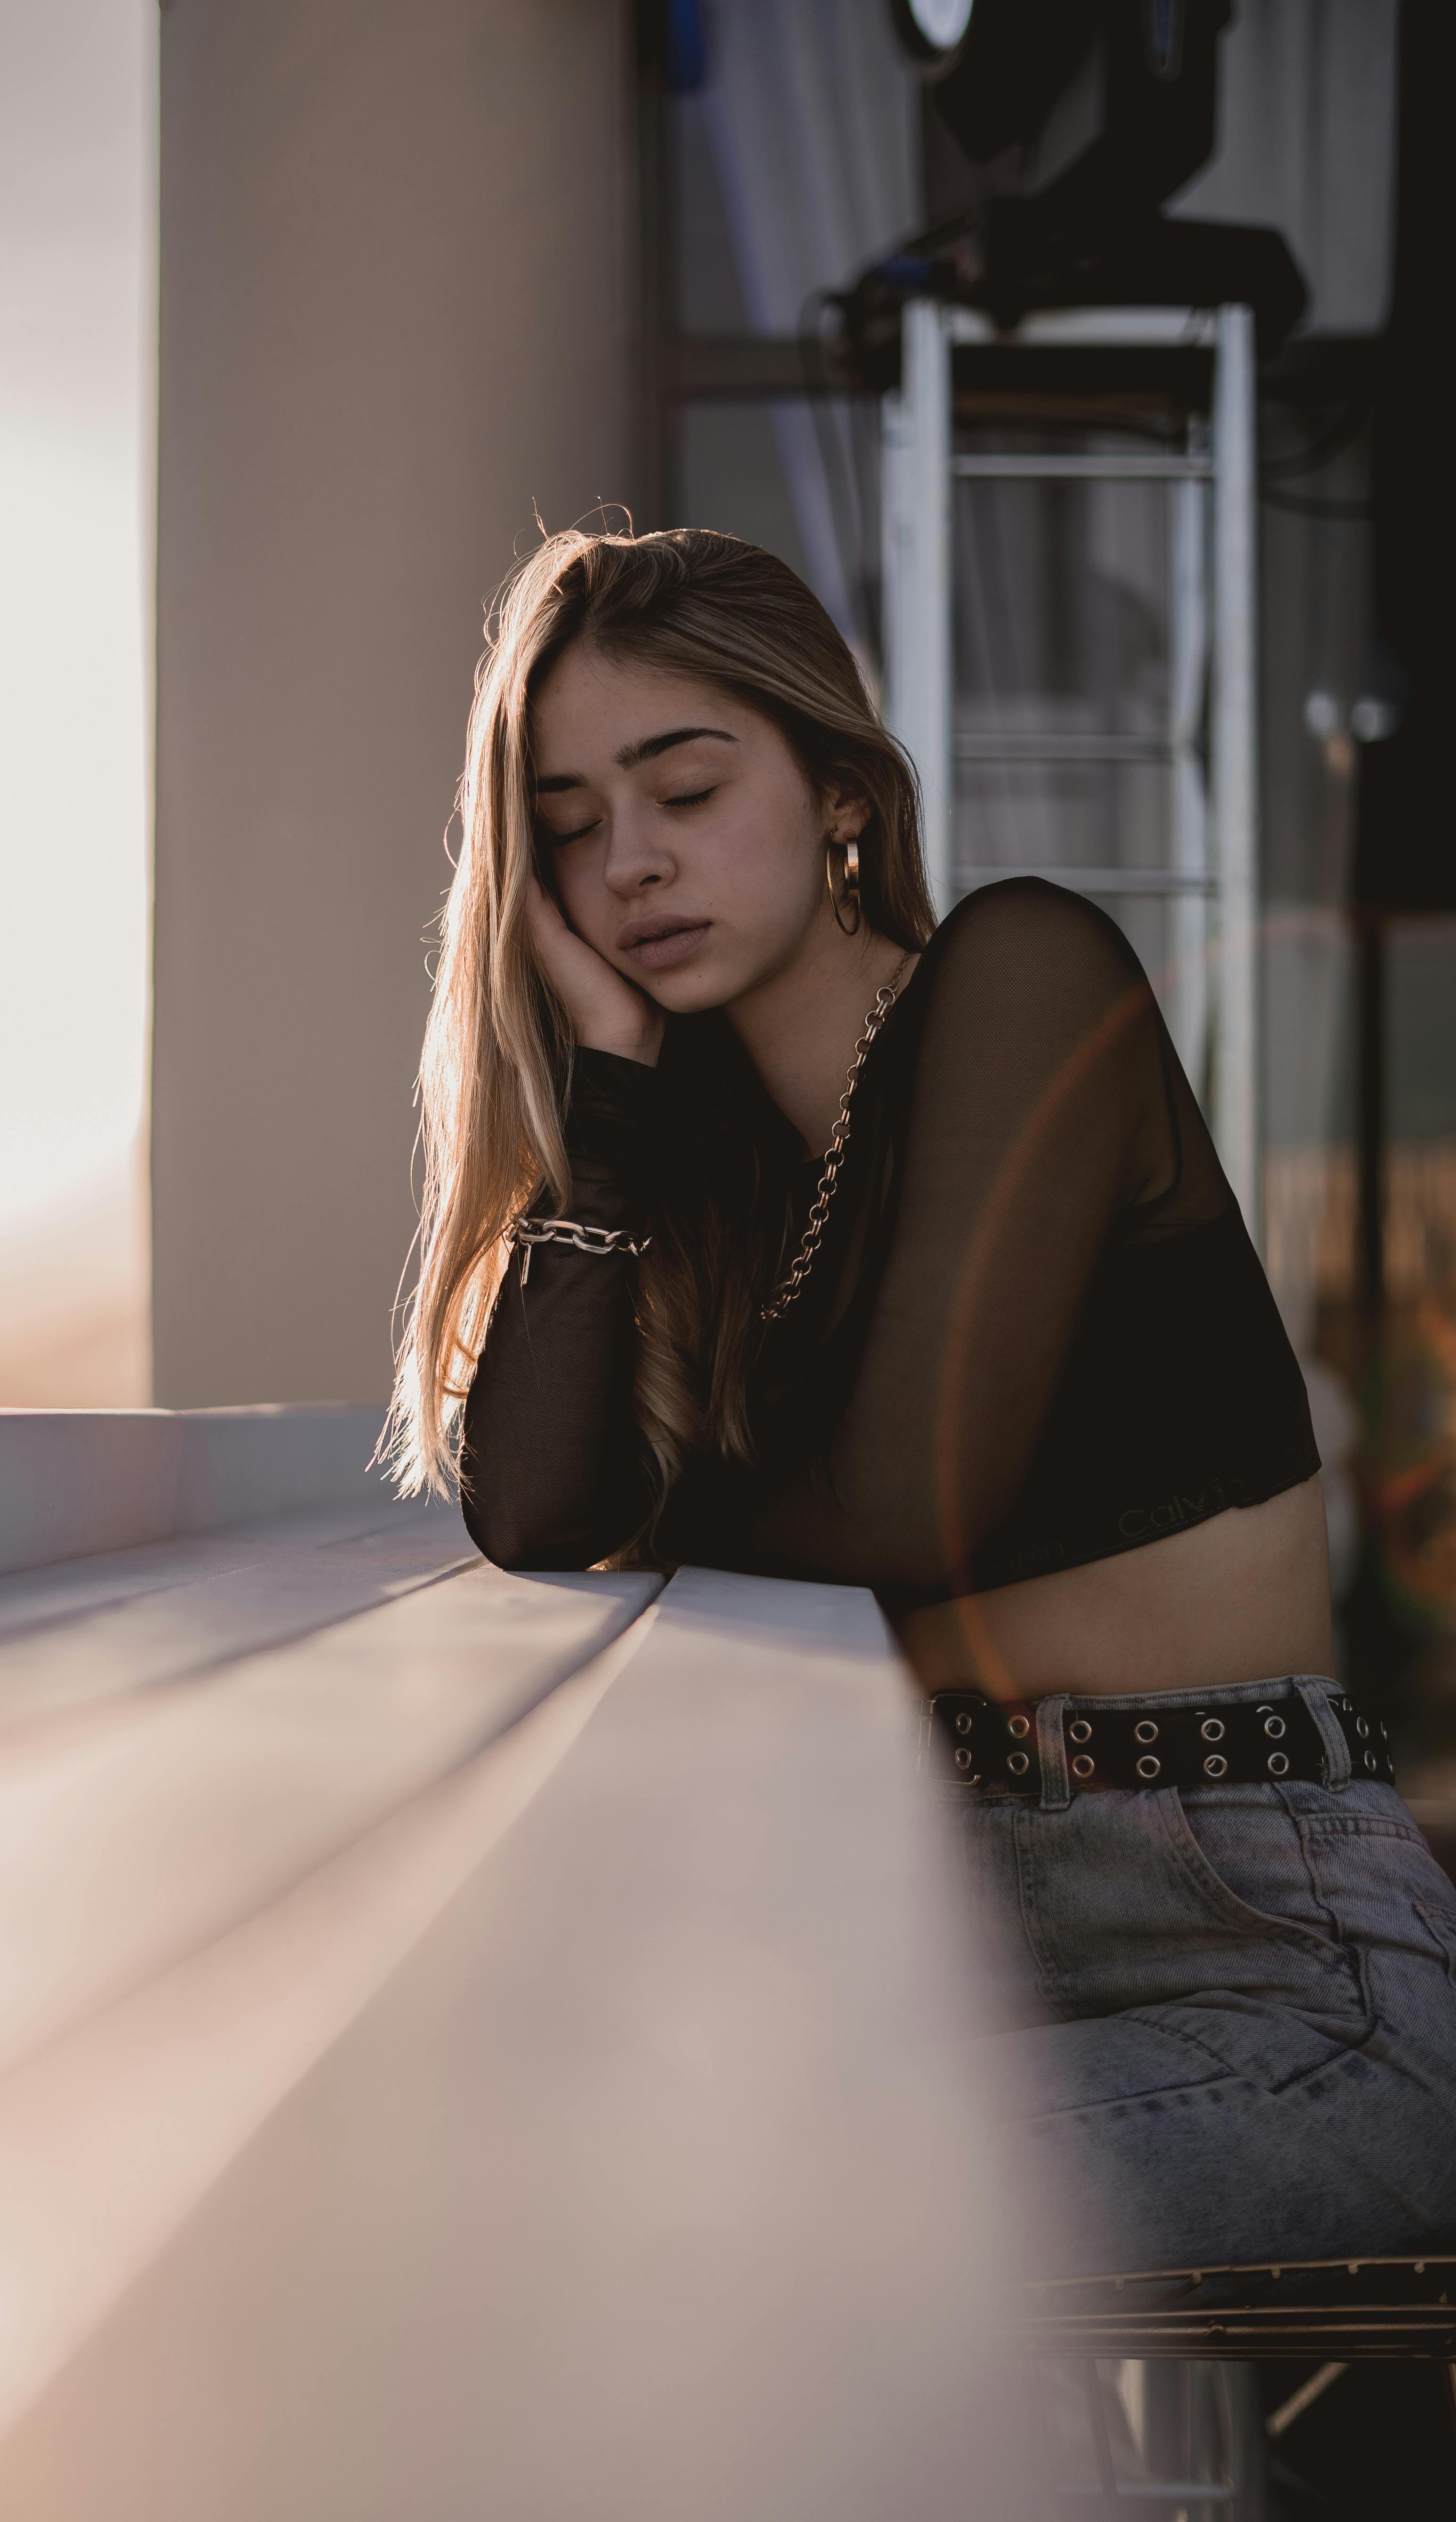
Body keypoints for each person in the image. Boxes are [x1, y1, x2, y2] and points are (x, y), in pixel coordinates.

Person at [389, 522, 1456, 2274]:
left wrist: (665, 1535)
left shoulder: (1032, 978)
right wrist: (604, 1094)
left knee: (695, 2251)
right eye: (571, 829)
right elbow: (538, 1508)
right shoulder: (728, 1193)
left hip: (1278, 1962)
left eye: (684, 787)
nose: (630, 866)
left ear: (839, 795)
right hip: (956, 1933)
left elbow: (899, 1514)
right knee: (518, 2166)